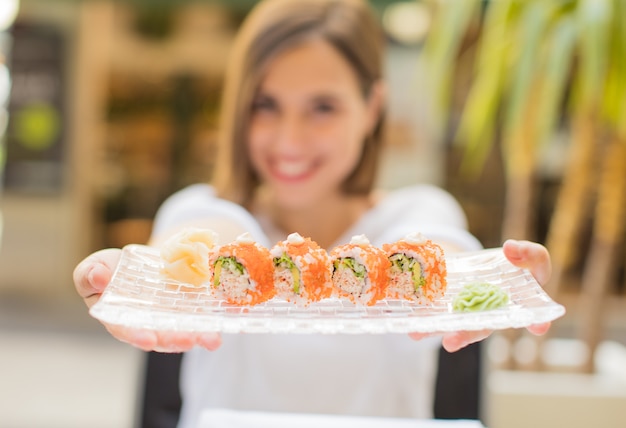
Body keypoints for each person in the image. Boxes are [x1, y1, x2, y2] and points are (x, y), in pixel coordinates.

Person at [73, 0, 552, 427]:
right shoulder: (201, 206)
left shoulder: (420, 208)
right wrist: (148, 278)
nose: (290, 141)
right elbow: (207, 236)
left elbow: (438, 245)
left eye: (322, 106)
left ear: (372, 108)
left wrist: (483, 282)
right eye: (266, 105)